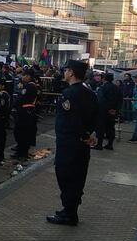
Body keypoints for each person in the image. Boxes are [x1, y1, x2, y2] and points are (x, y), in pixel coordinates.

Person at [46, 60, 99, 226]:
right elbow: (97, 115)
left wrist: (84, 134)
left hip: (70, 143)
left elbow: (72, 119)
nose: (64, 72)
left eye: (66, 70)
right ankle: (70, 209)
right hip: (82, 144)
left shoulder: (69, 94)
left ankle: (69, 213)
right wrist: (92, 134)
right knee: (77, 176)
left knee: (65, 175)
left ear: (72, 72)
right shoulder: (89, 92)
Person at [12, 68, 39, 160]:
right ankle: (21, 152)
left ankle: (22, 153)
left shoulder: (29, 86)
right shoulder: (30, 85)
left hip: (25, 112)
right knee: (23, 133)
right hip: (27, 112)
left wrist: (15, 104)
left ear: (28, 76)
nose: (22, 77)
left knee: (22, 133)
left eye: (24, 75)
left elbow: (21, 99)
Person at [94, 73, 120, 151]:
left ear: (104, 79)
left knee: (100, 127)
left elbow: (101, 99)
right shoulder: (116, 88)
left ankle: (99, 144)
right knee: (111, 127)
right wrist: (114, 109)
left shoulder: (103, 87)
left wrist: (107, 108)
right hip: (113, 111)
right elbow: (120, 99)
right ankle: (110, 144)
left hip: (103, 111)